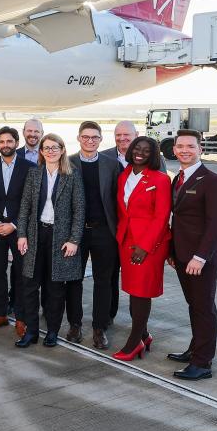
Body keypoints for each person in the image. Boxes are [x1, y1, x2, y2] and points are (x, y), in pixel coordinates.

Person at [167, 130, 217, 380]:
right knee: (194, 306)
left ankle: (202, 363)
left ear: (200, 149)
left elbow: (216, 224)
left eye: (190, 146)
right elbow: (177, 220)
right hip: (182, 256)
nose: (185, 150)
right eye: (180, 146)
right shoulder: (178, 179)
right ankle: (195, 349)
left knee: (203, 308)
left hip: (202, 259)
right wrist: (173, 252)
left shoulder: (214, 181)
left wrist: (200, 257)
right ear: (174, 150)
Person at [16, 134, 85, 348]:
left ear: (62, 150)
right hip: (36, 235)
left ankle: (52, 332)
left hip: (60, 238)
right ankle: (32, 332)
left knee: (55, 288)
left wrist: (74, 240)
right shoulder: (34, 174)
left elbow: (79, 209)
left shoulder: (72, 175)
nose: (50, 151)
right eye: (46, 148)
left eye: (55, 148)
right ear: (41, 151)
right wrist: (21, 234)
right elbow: (25, 207)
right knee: (29, 285)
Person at [112, 136, 171, 361]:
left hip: (148, 246)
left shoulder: (160, 179)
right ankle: (144, 335)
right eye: (137, 148)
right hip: (127, 241)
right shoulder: (124, 175)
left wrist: (145, 246)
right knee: (132, 290)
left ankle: (134, 341)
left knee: (141, 292)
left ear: (153, 154)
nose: (140, 153)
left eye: (147, 150)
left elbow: (161, 216)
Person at [69, 121, 120, 349]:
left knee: (104, 281)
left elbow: (118, 200)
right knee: (73, 280)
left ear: (101, 139)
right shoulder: (67, 162)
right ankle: (75, 324)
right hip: (76, 233)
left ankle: (99, 327)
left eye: (95, 137)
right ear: (79, 138)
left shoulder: (111, 164)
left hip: (103, 231)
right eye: (86, 137)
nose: (90, 140)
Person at [0, 126, 34, 334]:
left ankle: (21, 318)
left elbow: (31, 201)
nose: (5, 145)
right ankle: (1, 314)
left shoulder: (29, 167)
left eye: (9, 141)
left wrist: (14, 224)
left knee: (21, 274)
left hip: (18, 228)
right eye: (1, 142)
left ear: (16, 142)